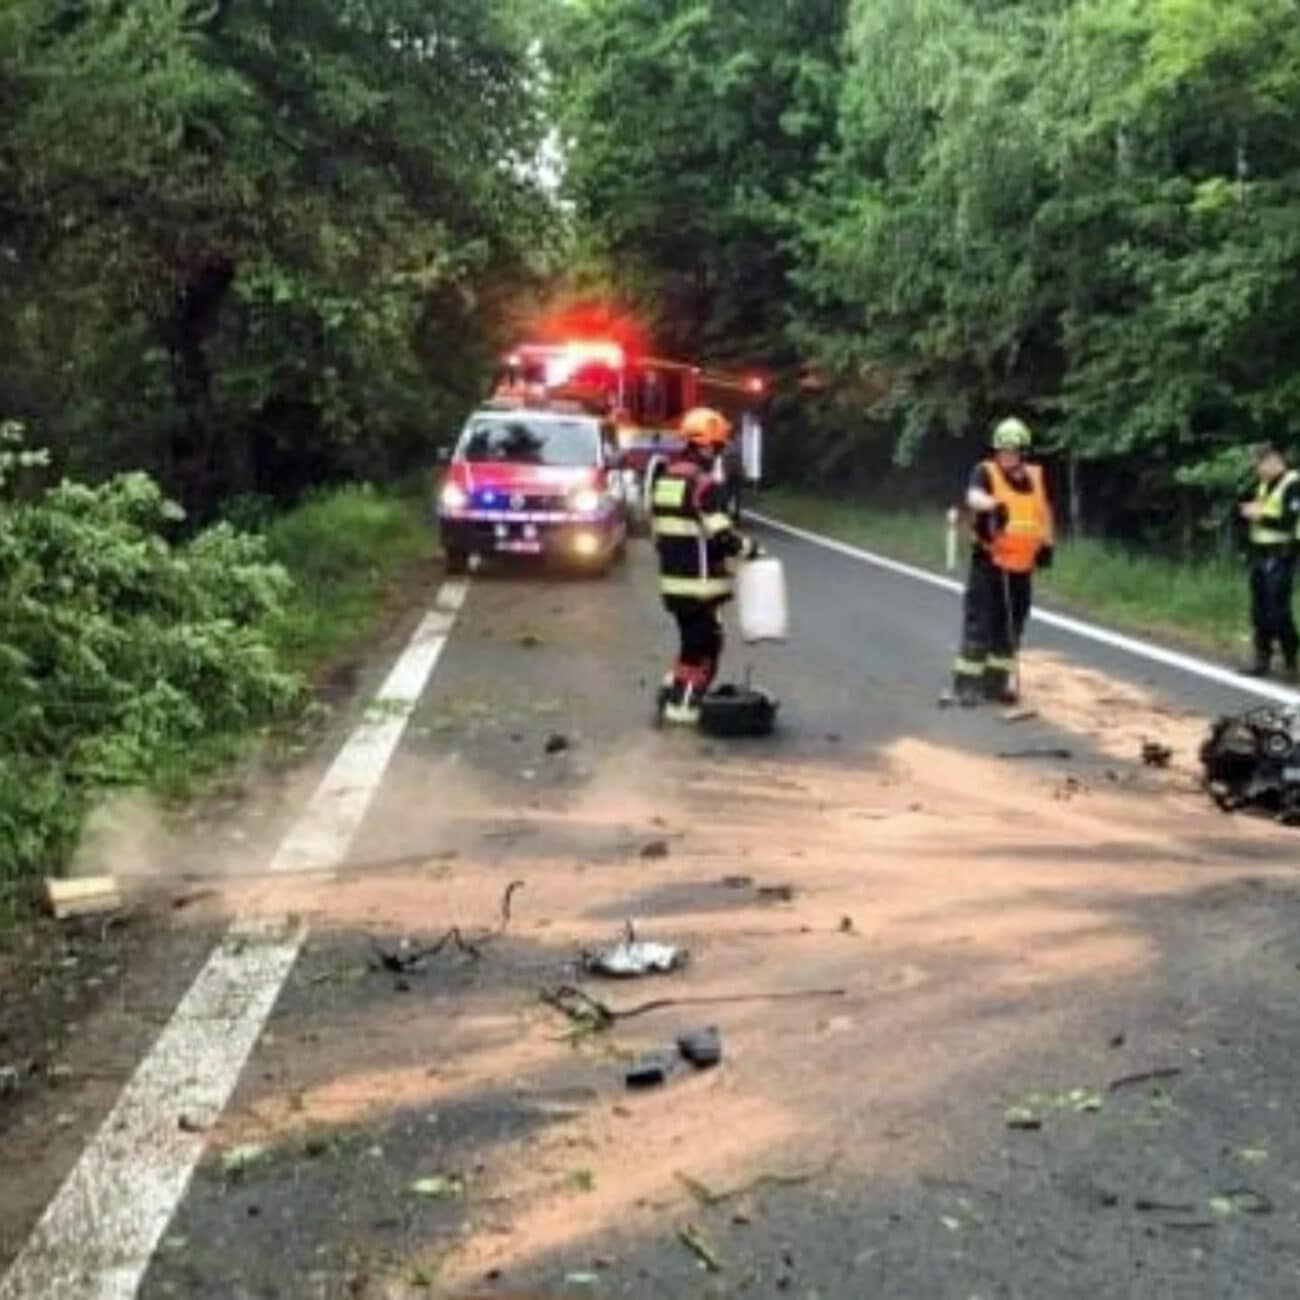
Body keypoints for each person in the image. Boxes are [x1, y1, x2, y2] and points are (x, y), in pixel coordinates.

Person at [651, 406, 759, 725]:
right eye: (720, 446)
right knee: (704, 649)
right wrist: (751, 550)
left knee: (692, 642)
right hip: (700, 584)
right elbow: (723, 535)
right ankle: (683, 707)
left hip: (673, 582)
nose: (720, 454)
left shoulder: (667, 477)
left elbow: (659, 531)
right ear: (708, 445)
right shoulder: (703, 484)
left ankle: (672, 689)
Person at [951, 416, 1054, 706]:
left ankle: (994, 685)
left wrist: (1047, 544)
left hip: (1022, 567)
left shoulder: (1035, 477)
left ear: (1023, 452)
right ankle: (967, 685)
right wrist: (994, 505)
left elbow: (1043, 513)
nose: (1006, 456)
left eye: (1012, 451)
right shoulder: (985, 472)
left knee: (1010, 629)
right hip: (990, 563)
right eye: (1002, 451)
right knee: (980, 624)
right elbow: (973, 496)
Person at [1238, 442, 1300, 680]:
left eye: (1259, 465)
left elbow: (1287, 522)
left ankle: (1291, 660)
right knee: (1259, 610)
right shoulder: (1264, 485)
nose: (1257, 471)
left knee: (1278, 611)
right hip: (1260, 554)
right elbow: (1256, 513)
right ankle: (1261, 660)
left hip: (1282, 554)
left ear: (1274, 460)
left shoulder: (1293, 484)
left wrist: (1258, 516)